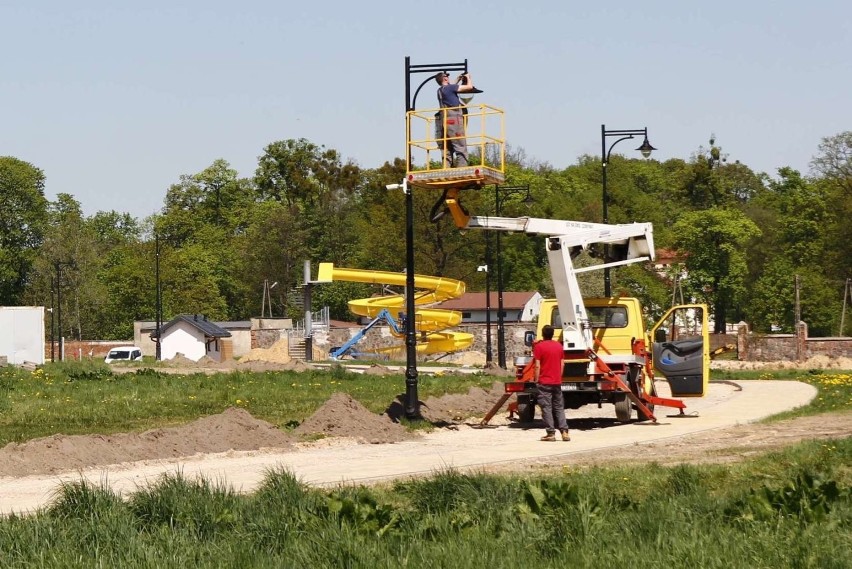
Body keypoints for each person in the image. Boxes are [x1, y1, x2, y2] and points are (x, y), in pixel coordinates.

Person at [533, 324, 569, 441]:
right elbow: (562, 363)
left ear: (543, 334)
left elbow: (537, 365)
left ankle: (551, 433)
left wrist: (536, 379)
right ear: (553, 334)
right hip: (556, 381)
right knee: (559, 406)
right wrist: (559, 376)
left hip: (544, 381)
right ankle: (564, 431)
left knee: (546, 407)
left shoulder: (539, 347)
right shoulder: (559, 346)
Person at [434, 71, 475, 168]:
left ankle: (446, 169)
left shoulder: (440, 90)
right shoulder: (450, 88)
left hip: (443, 122)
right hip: (454, 120)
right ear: (444, 79)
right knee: (460, 146)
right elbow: (469, 87)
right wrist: (468, 78)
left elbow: (450, 88)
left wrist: (457, 80)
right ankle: (462, 169)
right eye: (447, 76)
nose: (448, 77)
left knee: (447, 148)